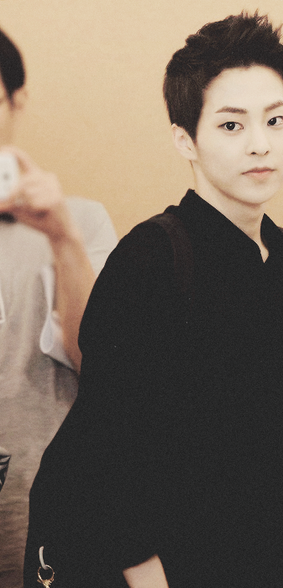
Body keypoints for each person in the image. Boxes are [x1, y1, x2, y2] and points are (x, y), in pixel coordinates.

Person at [25, 12, 283, 588]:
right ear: (184, 139)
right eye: (231, 125)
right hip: (175, 567)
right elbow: (107, 453)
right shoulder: (150, 262)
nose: (261, 144)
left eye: (276, 119)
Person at [0, 28, 118, 588]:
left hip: (56, 524)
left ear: (16, 100)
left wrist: (63, 239)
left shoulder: (81, 222)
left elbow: (101, 362)